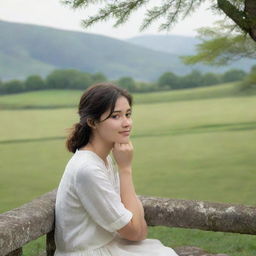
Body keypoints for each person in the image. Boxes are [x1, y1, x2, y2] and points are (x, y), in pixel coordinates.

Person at [54, 83, 179, 256]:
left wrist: (123, 167)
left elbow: (137, 227)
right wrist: (125, 168)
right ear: (92, 122)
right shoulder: (87, 169)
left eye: (128, 114)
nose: (126, 123)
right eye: (115, 116)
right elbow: (136, 232)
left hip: (108, 244)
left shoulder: (103, 159)